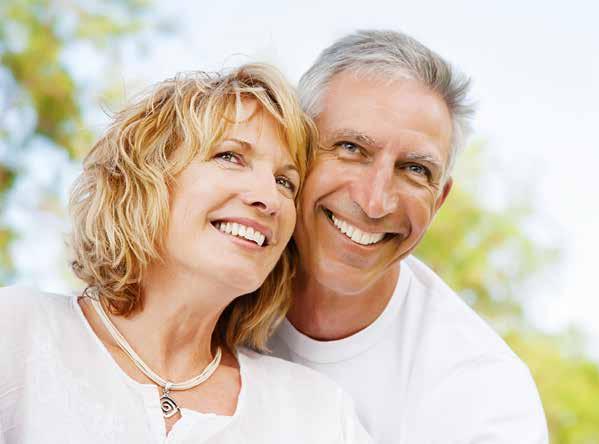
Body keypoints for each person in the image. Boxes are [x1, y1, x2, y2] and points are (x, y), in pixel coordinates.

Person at [0, 64, 371, 443]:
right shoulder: (17, 332)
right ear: (146, 178)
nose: (268, 198)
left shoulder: (318, 413)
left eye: (284, 182)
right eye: (230, 157)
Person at [269, 30, 549, 443]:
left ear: (439, 200)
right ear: (295, 147)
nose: (374, 202)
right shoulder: (210, 288)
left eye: (415, 170)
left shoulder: (485, 396)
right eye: (351, 148)